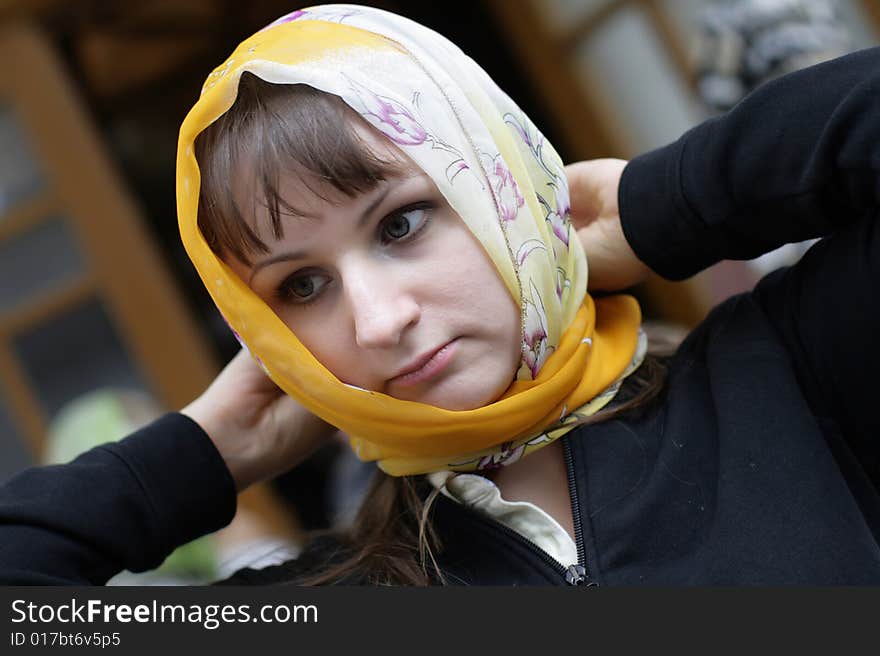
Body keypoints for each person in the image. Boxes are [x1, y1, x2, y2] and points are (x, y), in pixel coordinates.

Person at [2, 4, 879, 586]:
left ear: (503, 190)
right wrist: (203, 453)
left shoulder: (792, 372)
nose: (379, 321)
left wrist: (668, 205)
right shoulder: (340, 594)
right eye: (301, 287)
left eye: (401, 224)